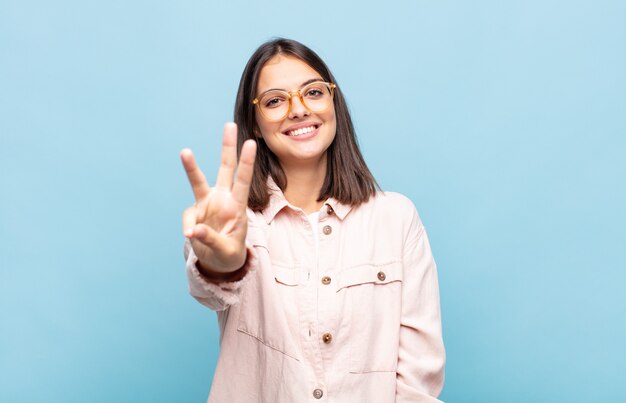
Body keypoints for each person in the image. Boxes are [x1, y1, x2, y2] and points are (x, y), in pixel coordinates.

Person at [180, 38, 445, 403]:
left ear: (333, 102)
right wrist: (221, 263)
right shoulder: (237, 222)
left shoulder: (396, 218)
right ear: (254, 123)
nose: (298, 110)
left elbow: (419, 377)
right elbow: (211, 287)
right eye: (275, 101)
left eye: (313, 92)